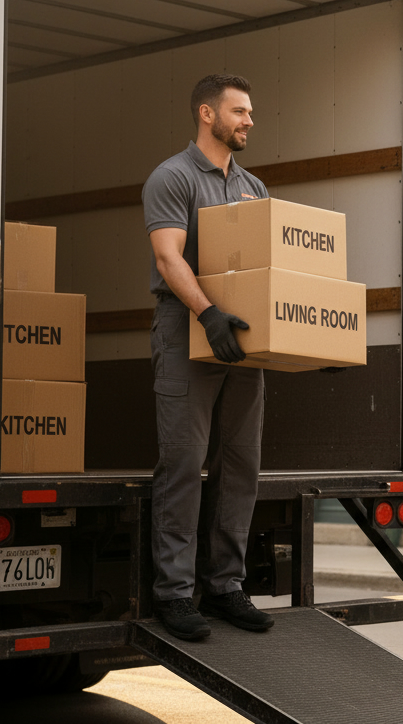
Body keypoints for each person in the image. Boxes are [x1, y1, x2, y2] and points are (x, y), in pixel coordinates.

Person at [143, 73, 274, 641]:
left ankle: (224, 586)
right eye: (239, 111)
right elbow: (170, 258)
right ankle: (174, 593)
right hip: (187, 329)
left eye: (249, 112)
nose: (249, 121)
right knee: (184, 462)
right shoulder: (171, 177)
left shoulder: (255, 188)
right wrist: (206, 313)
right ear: (206, 113)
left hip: (241, 338)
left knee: (240, 464)